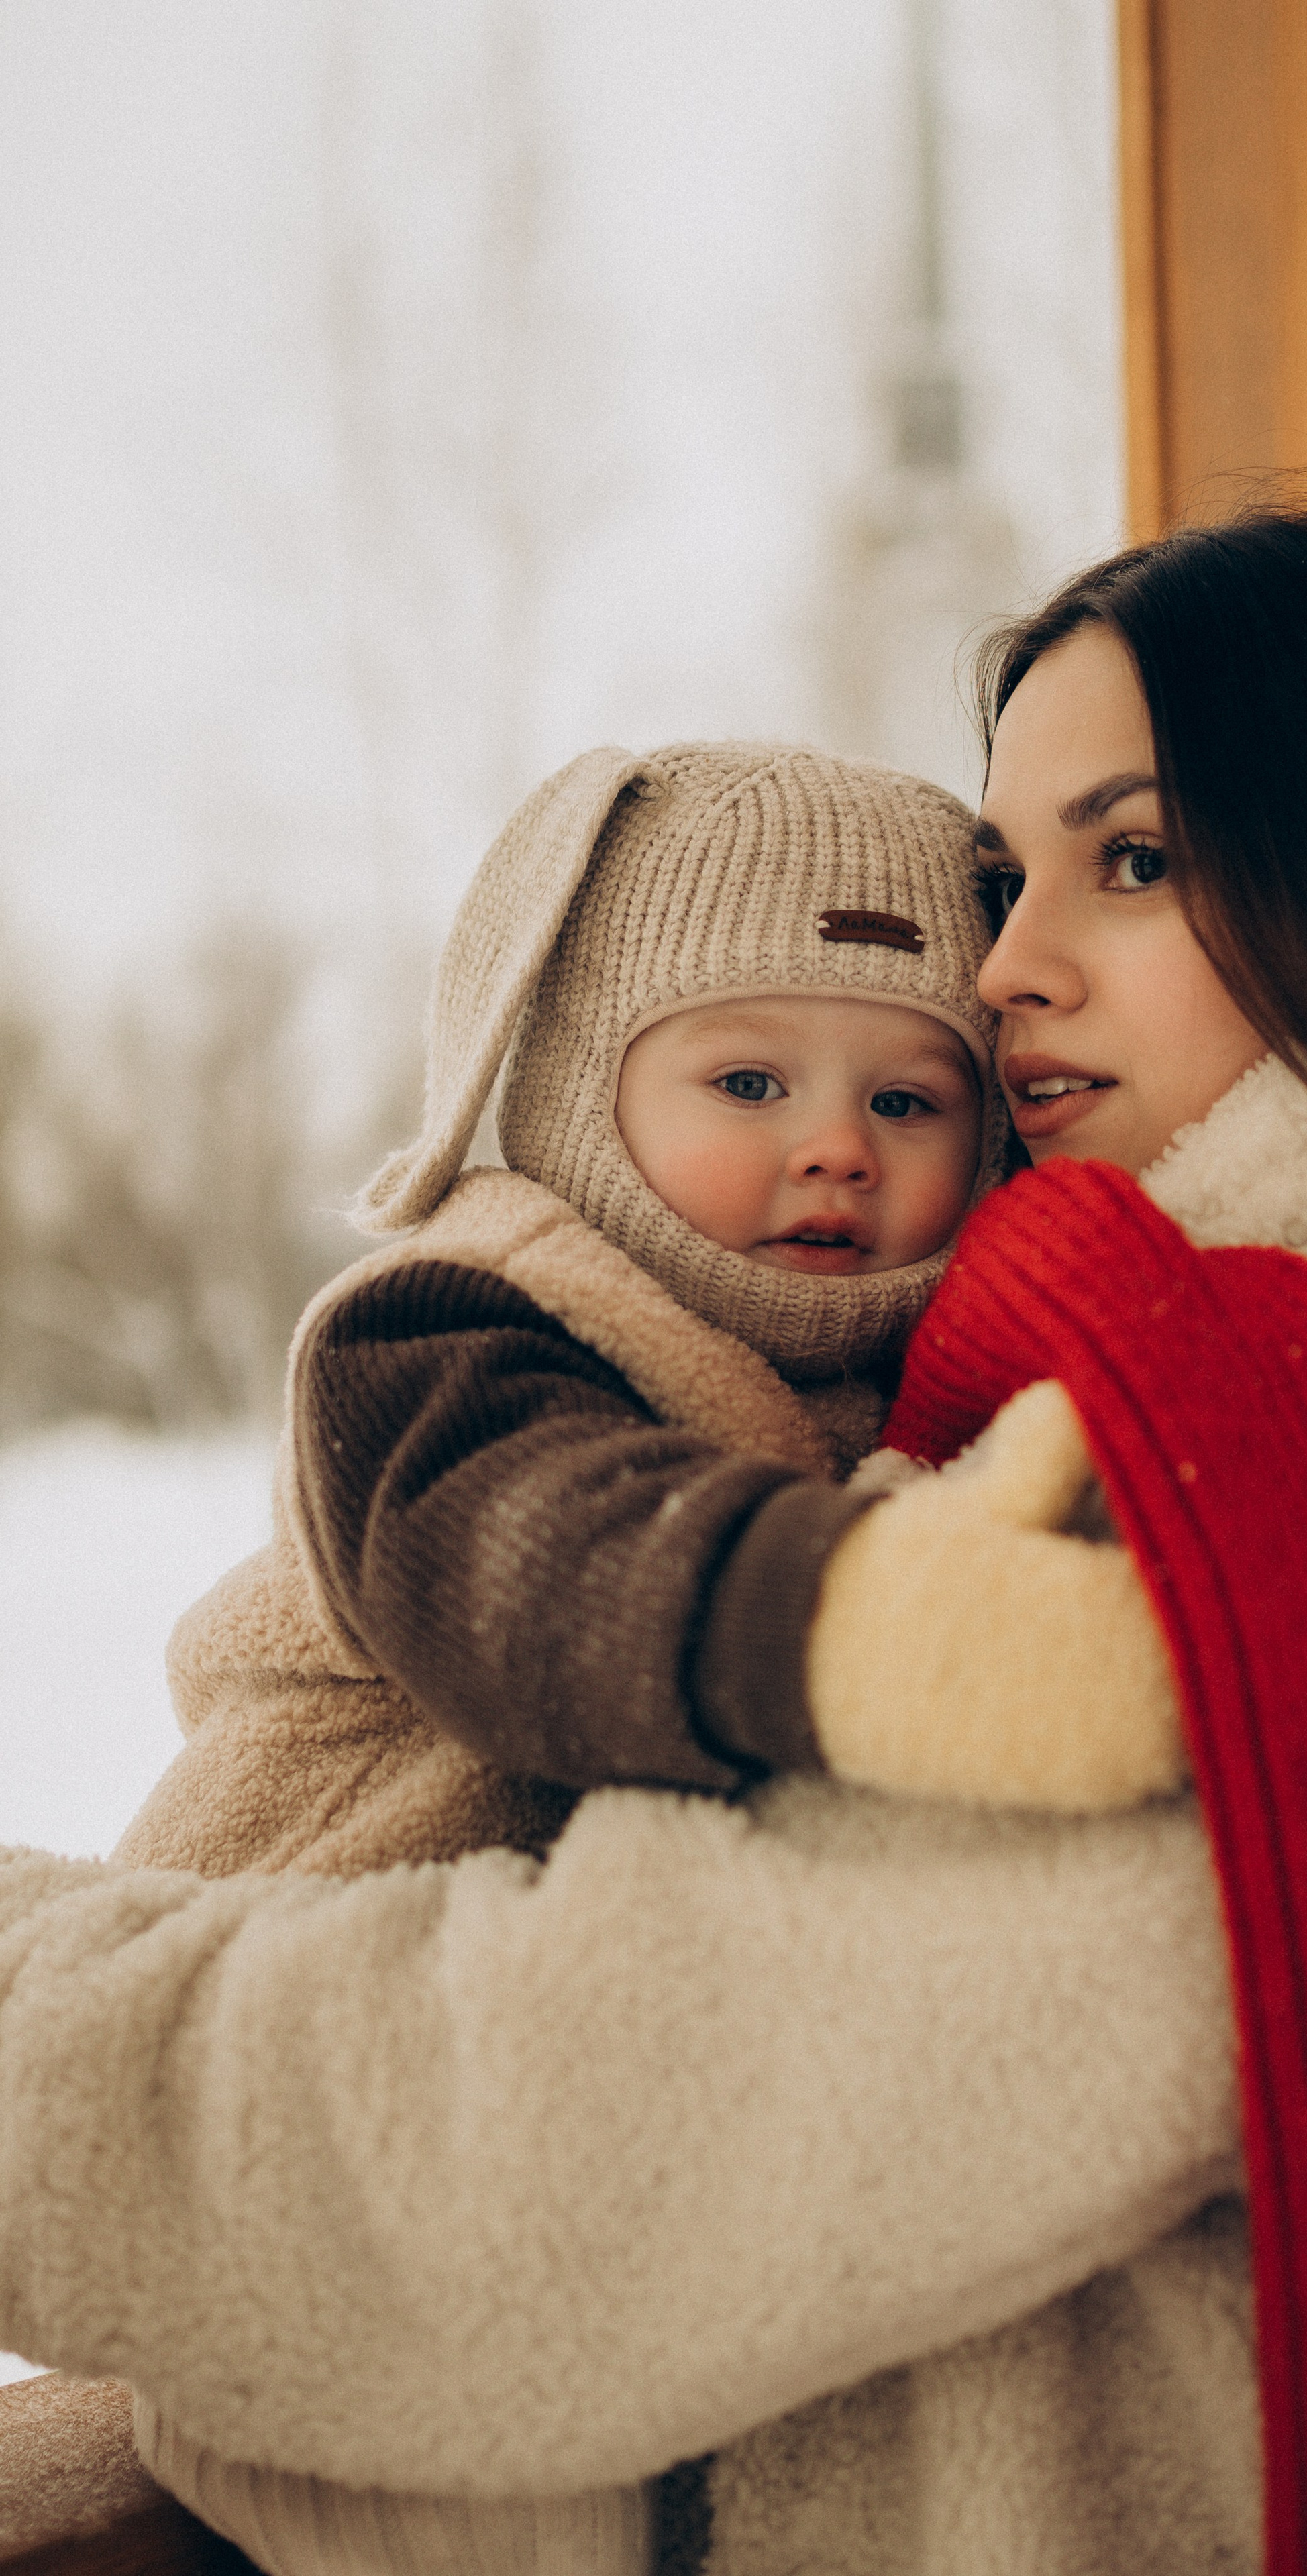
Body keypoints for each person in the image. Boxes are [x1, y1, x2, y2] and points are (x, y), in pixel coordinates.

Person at [3, 510, 1307, 2575]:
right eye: (1012, 879)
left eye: (1137, 859)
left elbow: (520, 2183)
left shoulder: (1282, 1465)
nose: (1006, 969)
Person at [99, 737, 1178, 2573]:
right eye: (746, 1078)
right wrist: (885, 1625)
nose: (835, 1144)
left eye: (911, 1102)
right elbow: (547, 1581)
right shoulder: (464, 1326)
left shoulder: (914, 1377)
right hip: (309, 2119)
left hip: (583, 2175)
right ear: (576, 1083)